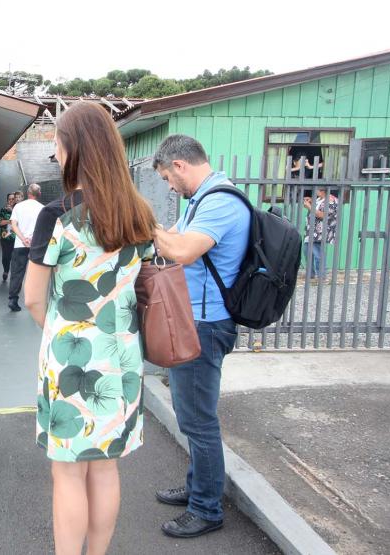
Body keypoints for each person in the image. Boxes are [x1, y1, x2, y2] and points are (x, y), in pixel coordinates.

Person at [24, 102, 156, 554]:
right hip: (122, 356)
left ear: (71, 149)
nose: (56, 155)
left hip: (72, 358)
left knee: (67, 470)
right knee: (105, 467)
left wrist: (61, 332)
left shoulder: (56, 215)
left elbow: (33, 298)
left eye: (58, 145)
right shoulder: (139, 212)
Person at [152, 134, 250, 538]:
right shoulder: (200, 200)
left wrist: (147, 225)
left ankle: (206, 508)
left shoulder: (221, 202)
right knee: (192, 418)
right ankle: (197, 488)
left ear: (179, 165)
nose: (169, 187)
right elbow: (170, 239)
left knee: (199, 421)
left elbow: (182, 250)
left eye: (166, 178)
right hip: (195, 321)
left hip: (206, 326)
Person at [7, 183, 43, 312]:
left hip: (19, 245)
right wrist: (32, 239)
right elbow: (42, 228)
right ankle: (35, 301)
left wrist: (23, 239)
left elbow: (13, 225)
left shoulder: (19, 207)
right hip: (36, 245)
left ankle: (13, 299)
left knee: (17, 273)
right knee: (36, 274)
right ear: (39, 194)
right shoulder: (42, 208)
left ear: (28, 193)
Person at [303, 188, 338, 283]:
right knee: (307, 251)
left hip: (320, 232)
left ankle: (321, 275)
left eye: (317, 189)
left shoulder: (331, 200)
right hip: (311, 231)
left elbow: (323, 215)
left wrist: (309, 206)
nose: (315, 191)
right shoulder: (320, 199)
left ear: (322, 190)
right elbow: (317, 205)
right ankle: (310, 274)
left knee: (317, 253)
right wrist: (310, 200)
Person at [0, 193, 17, 281]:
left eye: (13, 199)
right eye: (9, 199)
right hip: (6, 238)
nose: (11, 201)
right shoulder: (4, 210)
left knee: (16, 257)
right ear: (7, 200)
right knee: (6, 257)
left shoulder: (19, 210)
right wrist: (8, 221)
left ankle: (14, 275)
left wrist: (12, 212)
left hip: (17, 238)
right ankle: (6, 271)